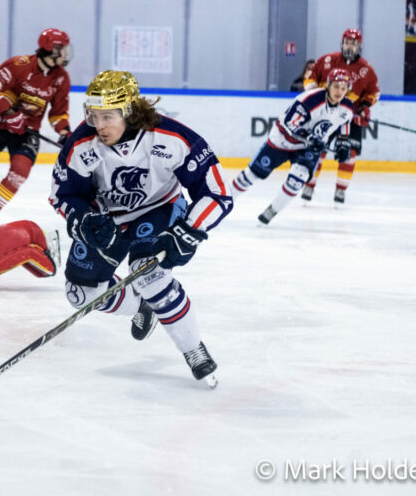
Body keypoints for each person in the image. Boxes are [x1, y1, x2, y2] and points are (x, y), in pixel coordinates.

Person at [49, 70, 232, 388]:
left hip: (160, 209)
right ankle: (142, 306)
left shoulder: (170, 138)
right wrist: (83, 221)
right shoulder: (82, 144)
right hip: (108, 220)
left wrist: (188, 231)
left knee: (148, 272)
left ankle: (192, 348)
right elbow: (63, 195)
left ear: (129, 111)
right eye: (93, 115)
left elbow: (217, 194)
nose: (99, 125)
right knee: (80, 293)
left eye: (107, 116)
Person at [0, 28, 72, 228]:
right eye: (62, 49)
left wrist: (64, 131)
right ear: (51, 50)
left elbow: (58, 113)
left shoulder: (61, 78)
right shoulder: (18, 66)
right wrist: (10, 113)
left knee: (20, 171)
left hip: (26, 132)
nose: (66, 53)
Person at [230, 68, 355, 224]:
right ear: (328, 85)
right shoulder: (310, 100)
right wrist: (310, 137)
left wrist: (343, 144)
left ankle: (272, 211)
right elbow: (289, 124)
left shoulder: (348, 107)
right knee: (252, 174)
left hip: (307, 148)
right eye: (336, 86)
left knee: (298, 179)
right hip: (282, 140)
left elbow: (344, 124)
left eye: (343, 88)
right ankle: (223, 200)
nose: (339, 91)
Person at [300, 29, 380, 204]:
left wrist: (365, 106)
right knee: (317, 149)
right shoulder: (327, 60)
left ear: (359, 46)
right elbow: (309, 78)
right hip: (326, 115)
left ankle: (341, 190)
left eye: (354, 43)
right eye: (347, 42)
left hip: (349, 117)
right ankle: (309, 184)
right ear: (342, 43)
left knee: (349, 154)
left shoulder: (366, 69)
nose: (350, 46)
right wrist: (315, 97)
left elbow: (374, 93)